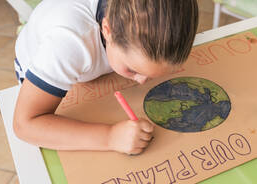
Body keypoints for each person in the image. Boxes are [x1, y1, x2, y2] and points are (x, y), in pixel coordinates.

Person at [13, 0, 199, 155]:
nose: (141, 81)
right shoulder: (69, 43)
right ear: (107, 30)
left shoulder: (154, 26)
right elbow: (25, 125)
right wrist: (110, 137)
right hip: (37, 70)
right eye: (133, 70)